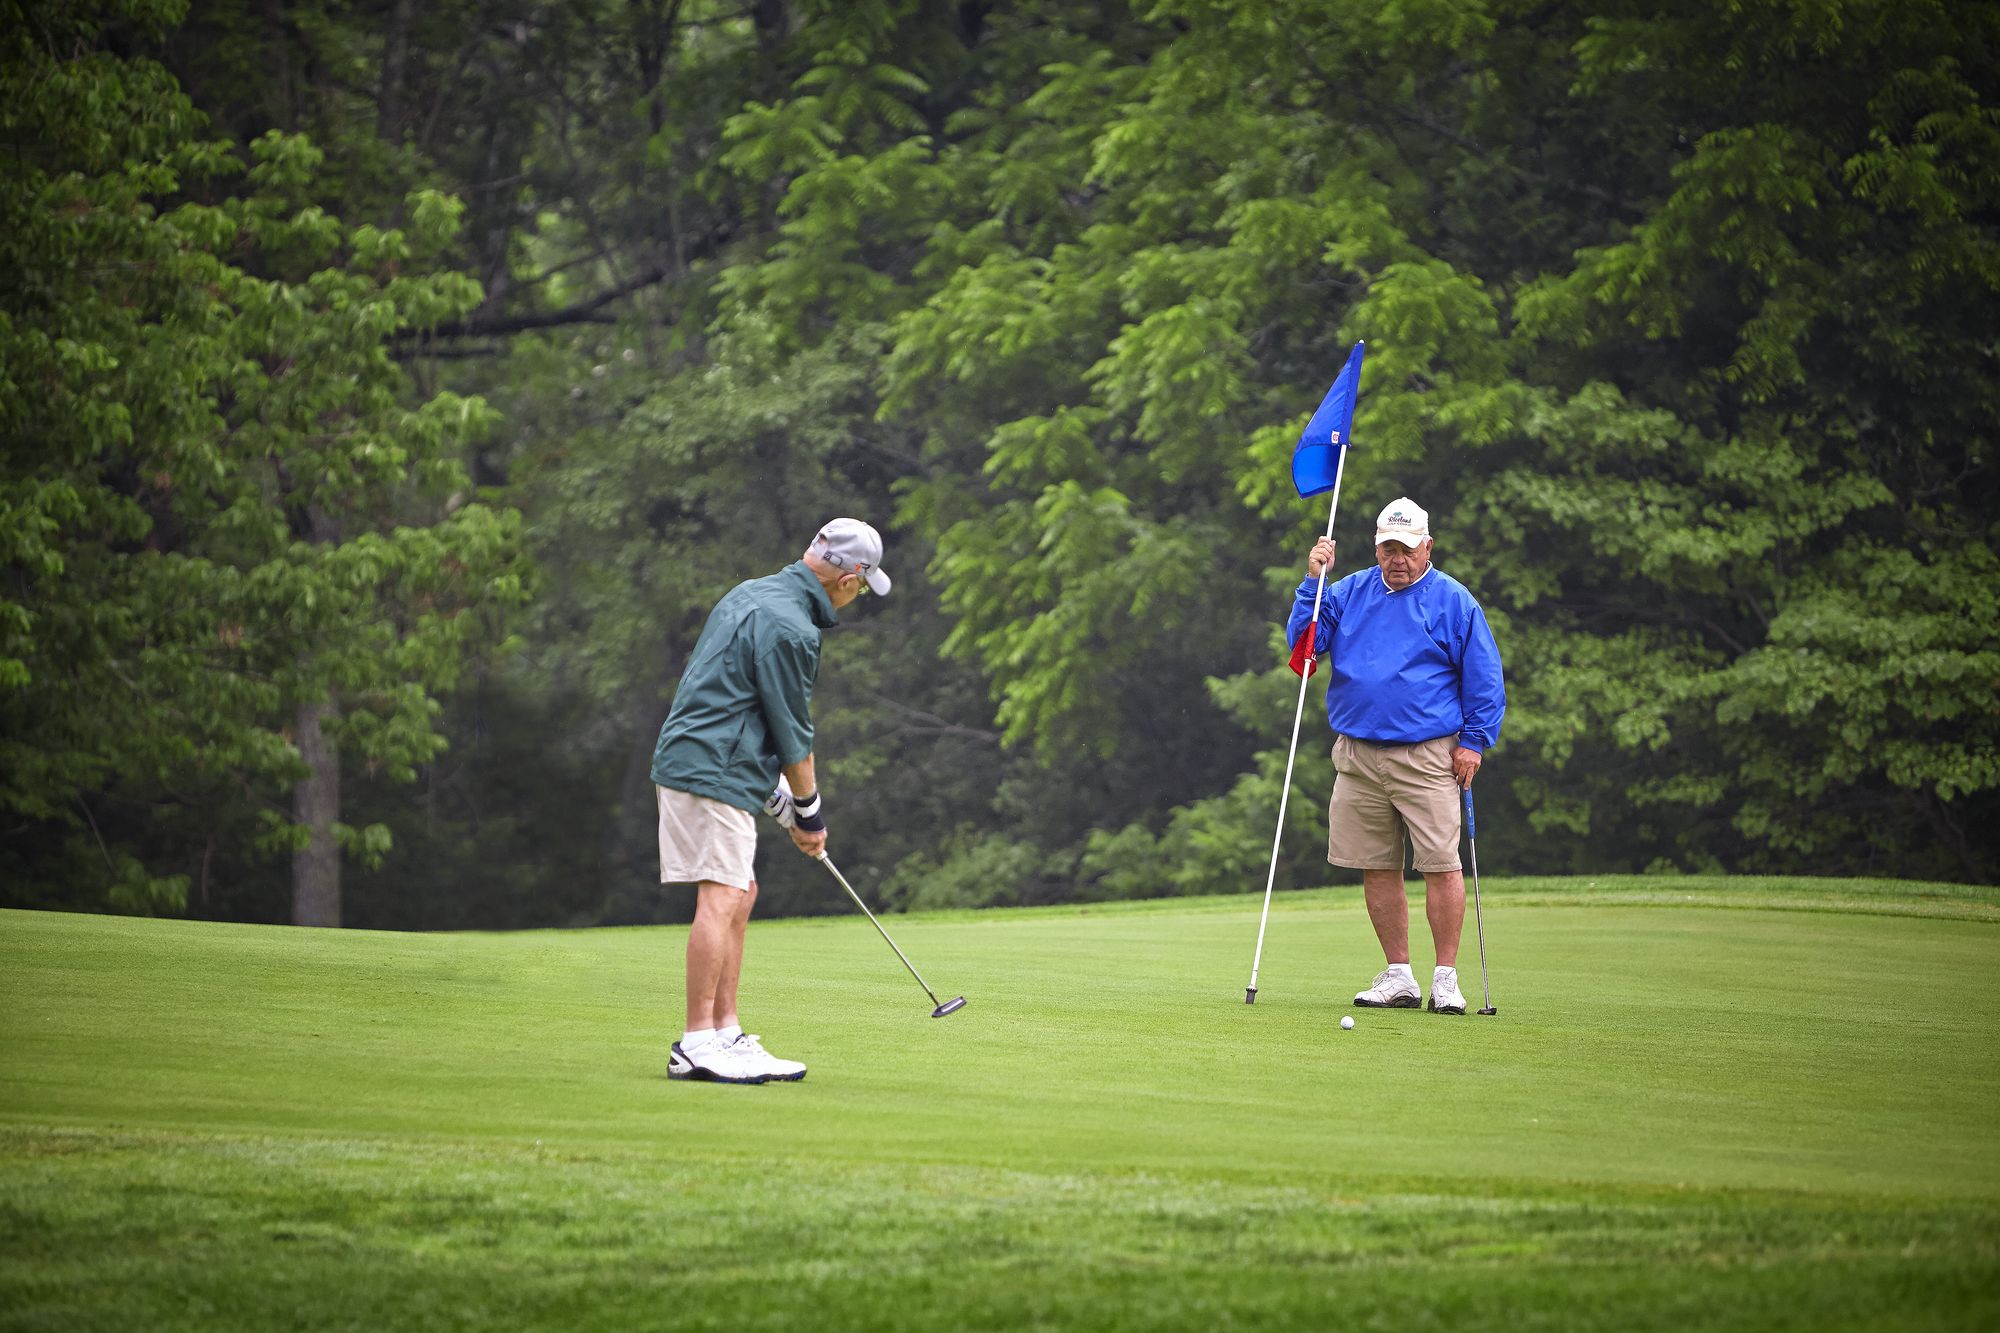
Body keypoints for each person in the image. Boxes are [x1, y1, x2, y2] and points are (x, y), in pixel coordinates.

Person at [651, 518, 891, 1083]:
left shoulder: (753, 593)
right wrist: (807, 811)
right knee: (725, 892)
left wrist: (773, 795)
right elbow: (792, 732)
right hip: (711, 768)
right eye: (863, 586)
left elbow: (737, 703)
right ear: (851, 579)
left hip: (709, 761)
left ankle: (726, 1033)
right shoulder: (794, 630)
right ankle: (697, 1043)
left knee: (741, 890)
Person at [1286, 497, 1505, 1015]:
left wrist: (1473, 741)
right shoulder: (1349, 592)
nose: (1397, 559)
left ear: (1427, 546)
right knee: (1375, 865)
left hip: (1429, 755)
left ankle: (1446, 979)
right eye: (1388, 548)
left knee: (1440, 865)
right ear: (1375, 546)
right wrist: (1313, 581)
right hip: (1358, 756)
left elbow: (1484, 678)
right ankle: (1399, 975)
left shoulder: (1453, 600)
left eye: (1407, 549)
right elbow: (1306, 645)